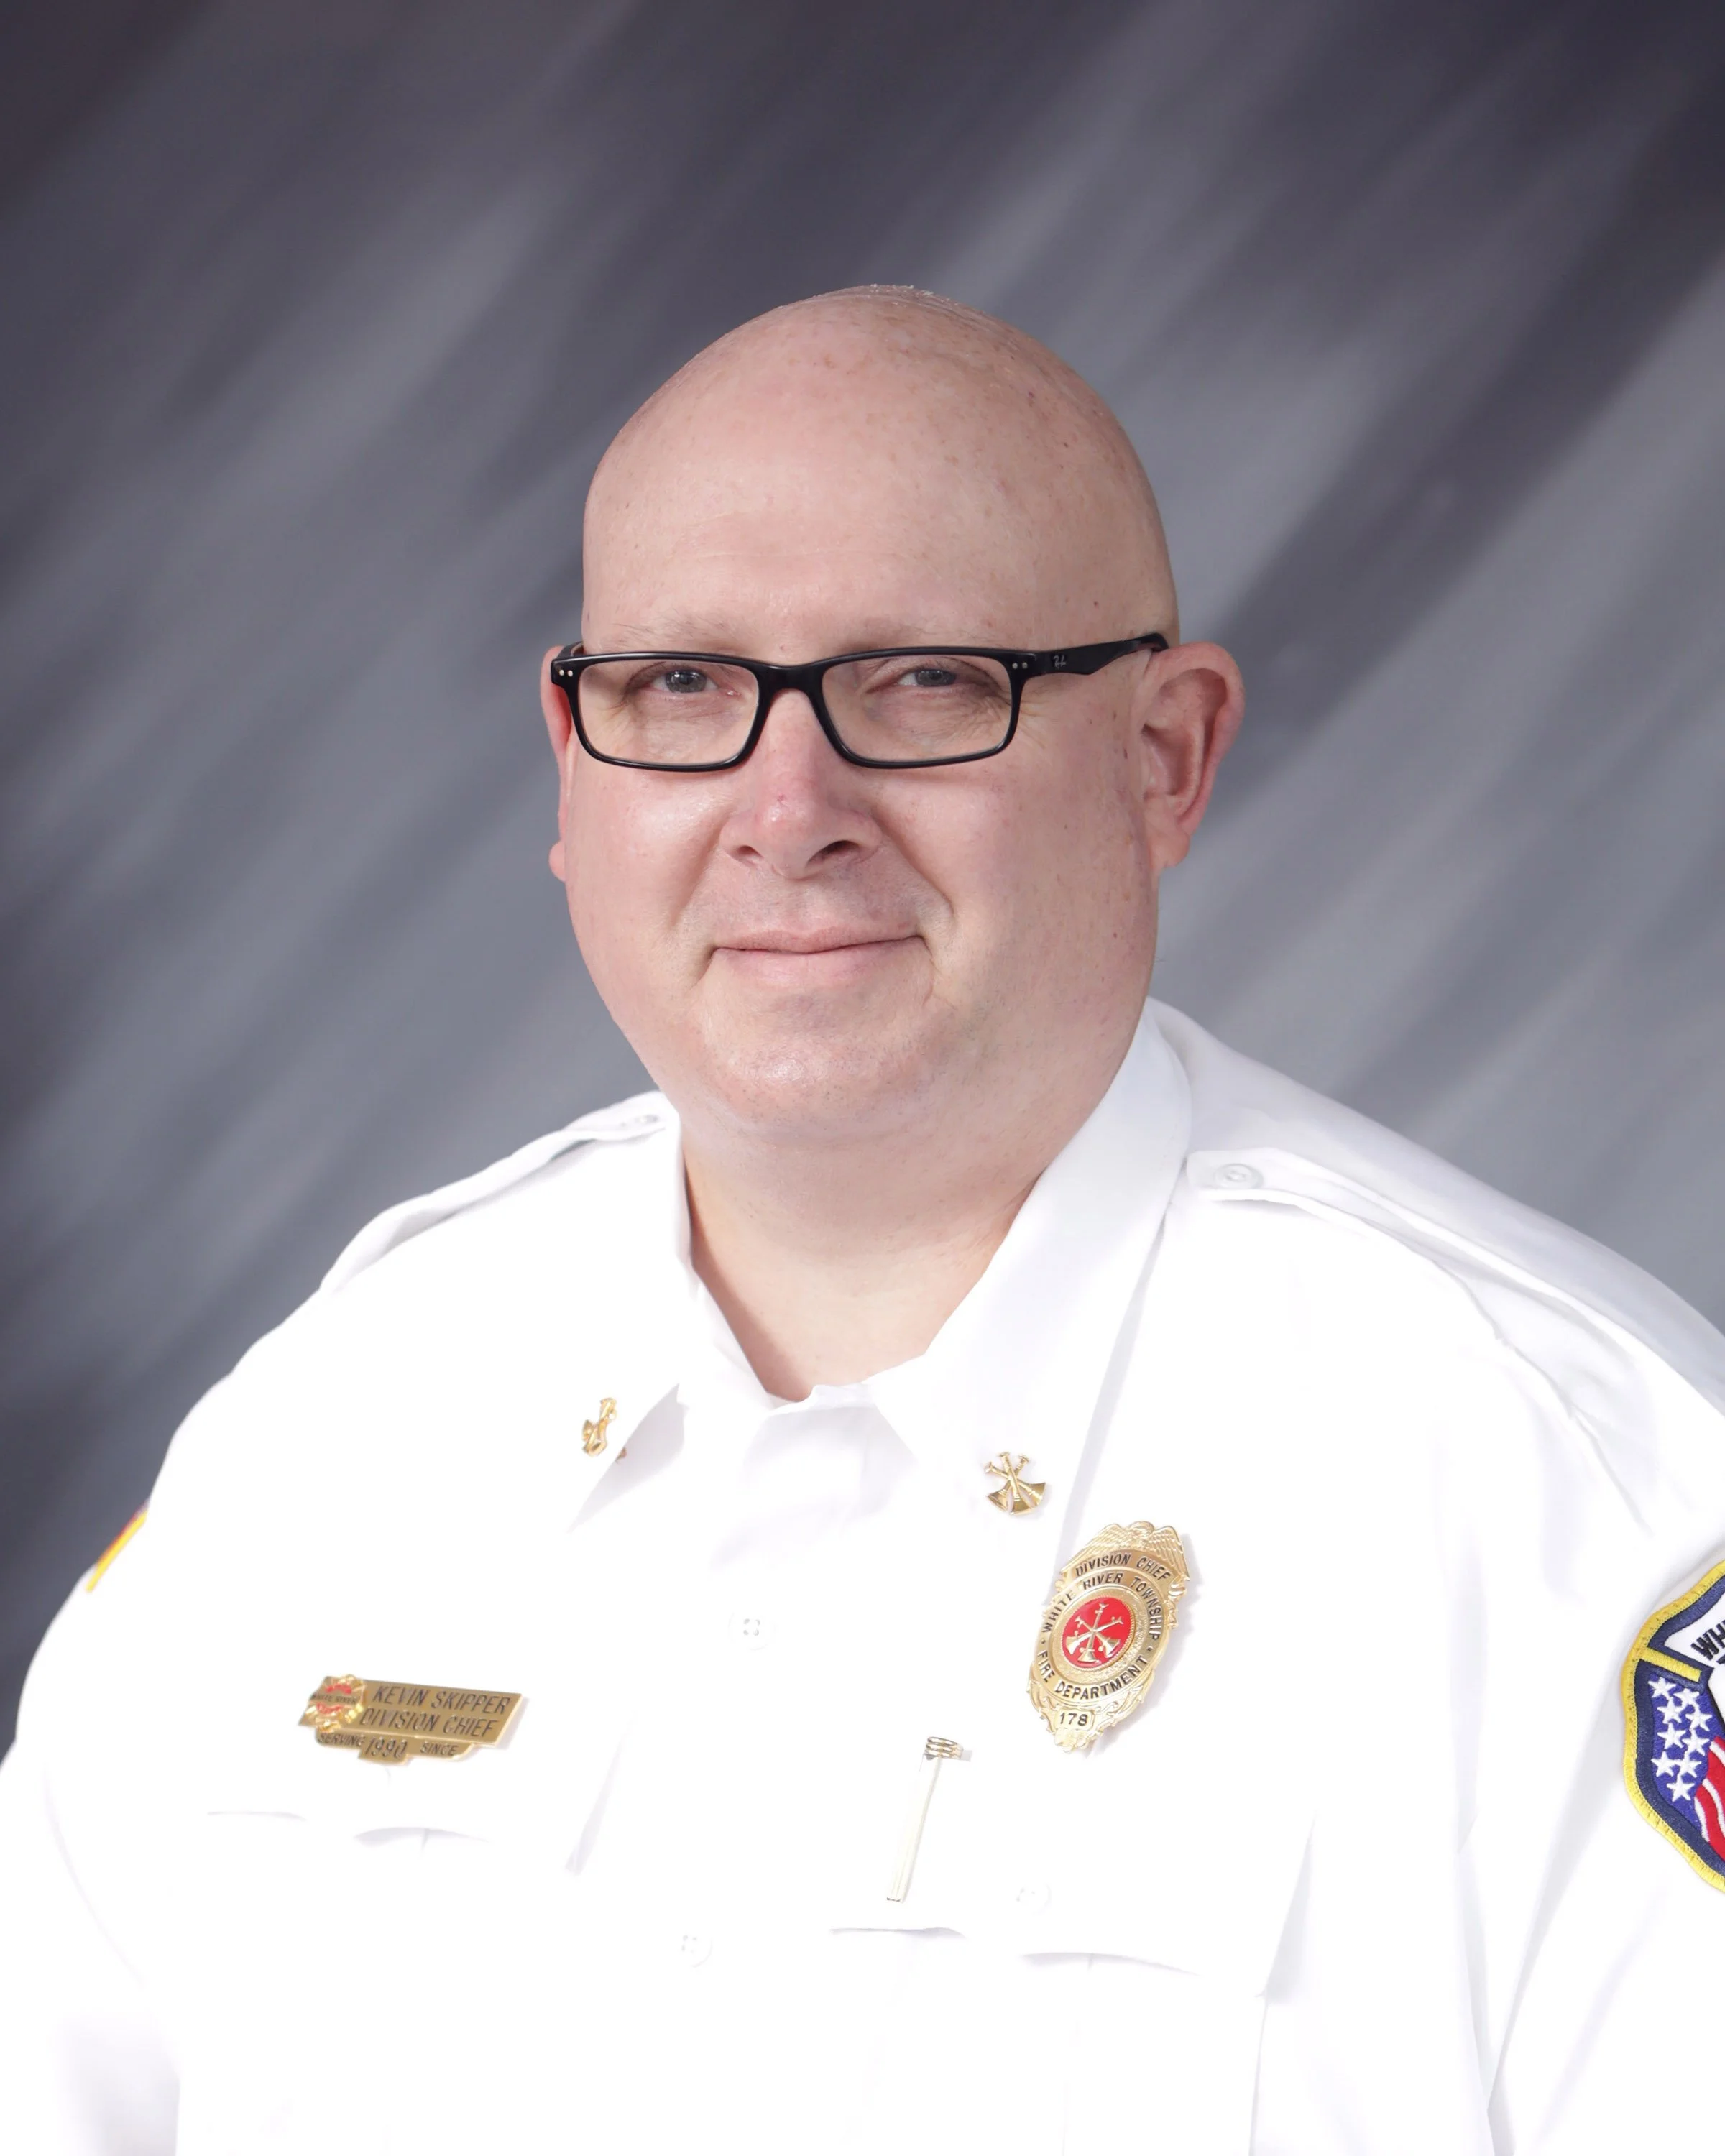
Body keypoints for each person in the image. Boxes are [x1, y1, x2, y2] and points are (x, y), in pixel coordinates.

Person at [1, 286, 1721, 2155]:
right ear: (573, 763)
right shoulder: (319, 1446)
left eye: (922, 684)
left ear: (1165, 758)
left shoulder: (1579, 1512)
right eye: (683, 687)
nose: (787, 809)